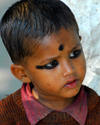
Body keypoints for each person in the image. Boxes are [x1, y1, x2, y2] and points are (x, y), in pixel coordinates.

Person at [0, 0, 100, 124]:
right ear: (22, 73)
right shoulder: (5, 116)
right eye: (52, 64)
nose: (69, 70)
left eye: (74, 53)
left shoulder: (96, 112)